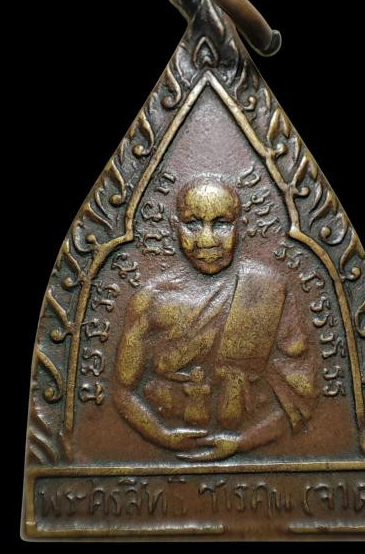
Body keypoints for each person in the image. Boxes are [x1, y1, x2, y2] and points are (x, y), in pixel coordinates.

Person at [114, 176, 320, 460]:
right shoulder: (149, 301)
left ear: (240, 227)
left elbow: (299, 399)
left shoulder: (268, 290)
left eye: (221, 224)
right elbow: (122, 391)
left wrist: (242, 443)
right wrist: (162, 436)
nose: (206, 240)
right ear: (175, 227)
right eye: (192, 224)